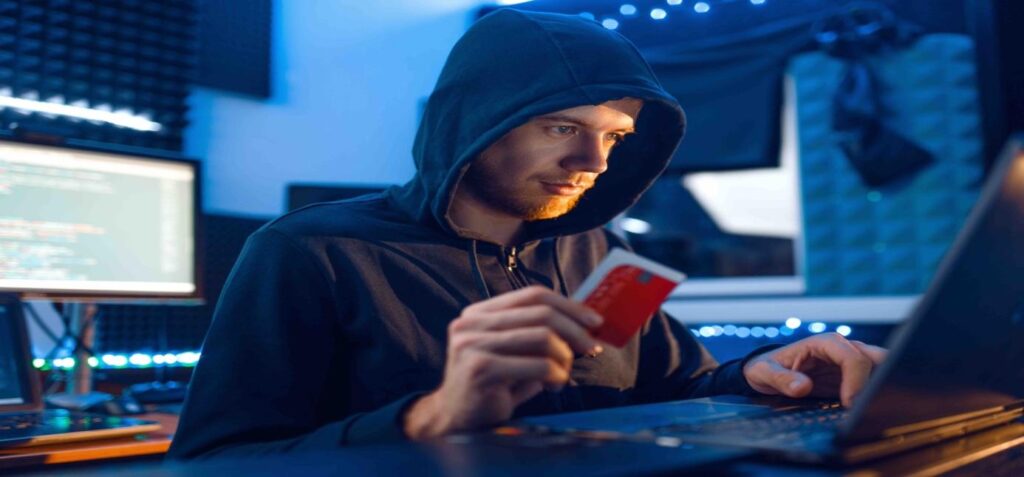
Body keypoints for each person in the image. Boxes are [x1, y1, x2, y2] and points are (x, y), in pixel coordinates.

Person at [169, 9, 885, 459]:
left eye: (616, 136)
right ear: (475, 120)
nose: (593, 163)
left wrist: (765, 371)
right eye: (563, 128)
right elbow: (215, 460)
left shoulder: (594, 250)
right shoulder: (308, 252)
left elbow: (678, 382)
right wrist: (427, 416)